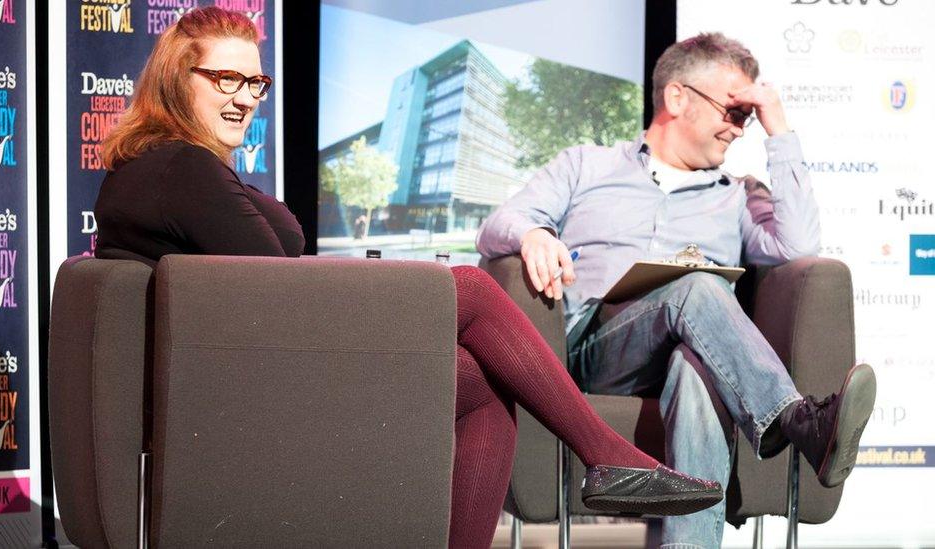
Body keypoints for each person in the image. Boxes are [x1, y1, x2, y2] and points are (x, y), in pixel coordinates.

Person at [93, 8, 723, 549]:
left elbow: (271, 247)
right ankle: (606, 454)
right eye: (225, 78)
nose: (244, 97)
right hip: (246, 395)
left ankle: (607, 458)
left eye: (254, 81)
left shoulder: (161, 166)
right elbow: (278, 270)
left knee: (483, 376)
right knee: (474, 292)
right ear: (179, 79)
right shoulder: (186, 168)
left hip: (233, 377)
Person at [476, 32, 876, 548]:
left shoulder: (737, 195)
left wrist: (778, 127)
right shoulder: (586, 165)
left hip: (694, 355)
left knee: (697, 365)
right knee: (698, 284)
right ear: (677, 97)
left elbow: (799, 245)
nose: (739, 128)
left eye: (748, 117)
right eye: (733, 110)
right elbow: (499, 223)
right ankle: (795, 420)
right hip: (596, 352)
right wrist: (534, 234)